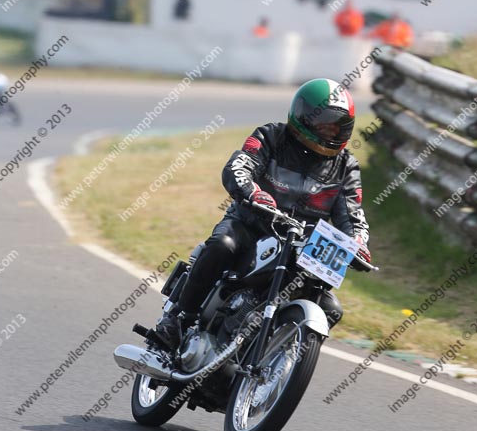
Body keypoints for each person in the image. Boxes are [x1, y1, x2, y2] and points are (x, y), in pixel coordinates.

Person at [155, 78, 372, 350]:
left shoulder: (346, 165)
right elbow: (239, 166)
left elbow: (352, 212)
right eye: (324, 123)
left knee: (330, 308)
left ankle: (276, 357)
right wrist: (253, 192)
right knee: (223, 246)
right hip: (251, 224)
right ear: (303, 117)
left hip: (304, 245)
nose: (330, 132)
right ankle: (177, 319)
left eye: (337, 126)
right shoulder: (270, 136)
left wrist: (359, 243)